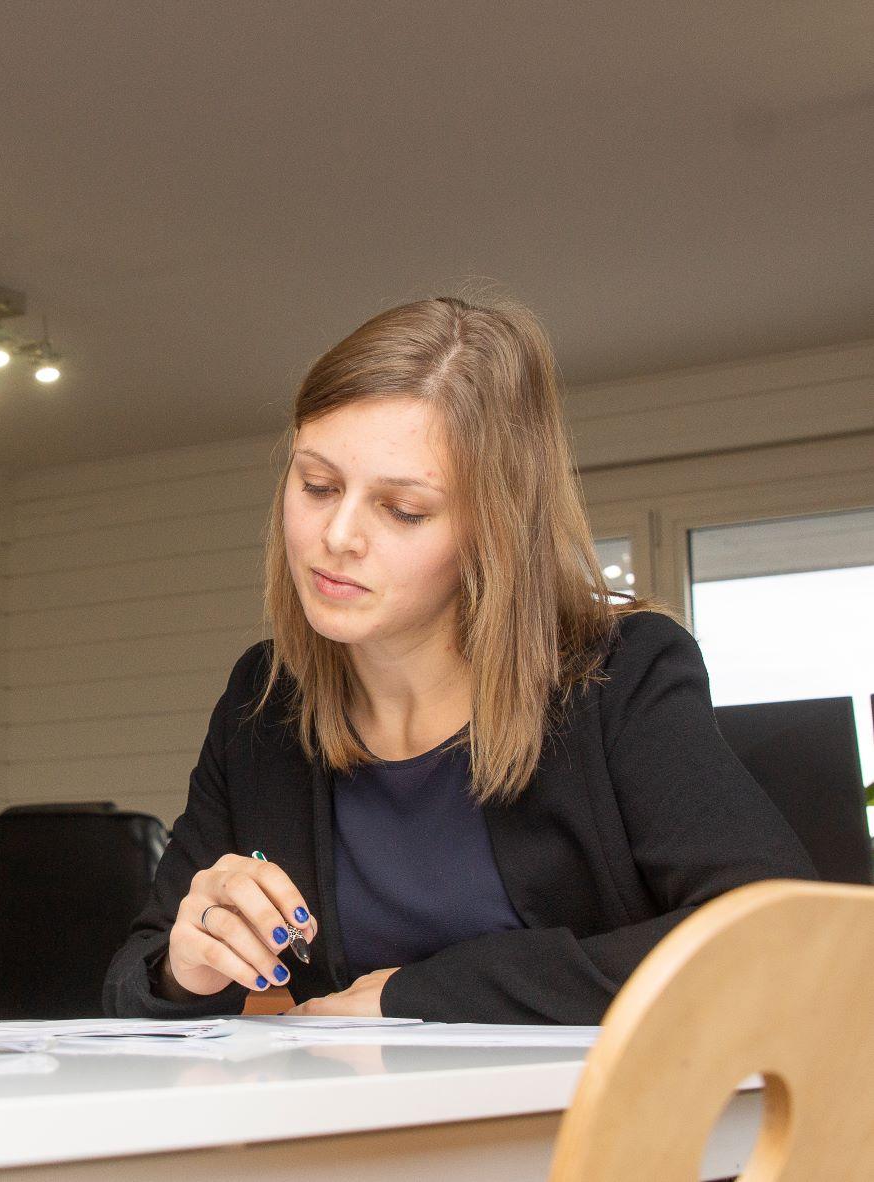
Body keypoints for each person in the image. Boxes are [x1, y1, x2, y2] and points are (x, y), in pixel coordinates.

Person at [103, 296, 814, 1024]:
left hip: (608, 1129)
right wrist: (184, 966)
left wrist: (417, 995)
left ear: (491, 531)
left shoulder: (618, 674)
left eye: (402, 509)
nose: (336, 535)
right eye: (316, 485)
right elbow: (134, 981)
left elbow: (773, 937)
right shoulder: (264, 700)